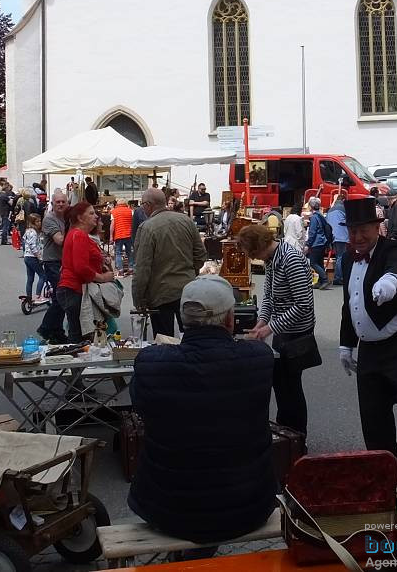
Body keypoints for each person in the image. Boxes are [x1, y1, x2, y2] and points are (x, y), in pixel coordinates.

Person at [127, 275, 275, 556]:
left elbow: (141, 406)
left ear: (183, 320)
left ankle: (186, 559)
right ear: (230, 319)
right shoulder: (258, 357)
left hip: (167, 506)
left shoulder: (152, 363)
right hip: (248, 504)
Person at [338, 197, 397, 492]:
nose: (357, 237)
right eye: (353, 231)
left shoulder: (390, 249)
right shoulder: (347, 258)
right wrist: (346, 344)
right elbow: (349, 304)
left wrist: (391, 280)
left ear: (376, 227)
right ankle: (389, 478)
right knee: (374, 422)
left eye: (363, 230)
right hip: (370, 353)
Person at [239, 223, 318, 436]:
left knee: (291, 389)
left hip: (297, 334)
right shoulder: (272, 259)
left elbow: (303, 304)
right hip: (283, 330)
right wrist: (261, 322)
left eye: (252, 253)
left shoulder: (289, 258)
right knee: (281, 386)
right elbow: (269, 298)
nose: (253, 258)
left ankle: (297, 437)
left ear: (259, 246)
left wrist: (268, 329)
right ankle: (286, 434)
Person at [134, 187, 208, 337]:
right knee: (192, 338)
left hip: (160, 293)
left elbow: (142, 268)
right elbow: (201, 255)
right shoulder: (186, 221)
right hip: (187, 290)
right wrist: (190, 273)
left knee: (164, 342)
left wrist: (139, 298)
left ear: (148, 205)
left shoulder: (147, 228)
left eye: (143, 205)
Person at [58, 202, 116, 343]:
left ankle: (79, 362)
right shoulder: (79, 235)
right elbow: (81, 267)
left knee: (79, 331)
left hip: (72, 288)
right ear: (80, 218)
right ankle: (78, 364)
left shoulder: (77, 234)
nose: (96, 216)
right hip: (74, 289)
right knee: (80, 333)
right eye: (91, 213)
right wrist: (102, 277)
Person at [37, 191, 69, 343]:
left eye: (63, 202)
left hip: (63, 262)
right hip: (52, 262)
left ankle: (57, 331)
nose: (61, 204)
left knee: (62, 298)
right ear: (53, 204)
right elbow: (60, 240)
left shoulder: (67, 217)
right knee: (60, 297)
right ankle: (47, 328)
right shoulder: (49, 219)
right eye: (58, 202)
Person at [305, 197, 331, 290]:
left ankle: (324, 279)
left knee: (313, 262)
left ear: (311, 206)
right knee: (319, 262)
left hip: (316, 242)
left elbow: (312, 232)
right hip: (322, 242)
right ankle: (320, 281)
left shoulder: (314, 217)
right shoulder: (320, 216)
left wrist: (308, 244)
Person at [22, 213, 46, 304]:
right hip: (33, 257)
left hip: (27, 256)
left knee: (30, 278)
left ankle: (29, 297)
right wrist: (39, 257)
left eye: (40, 221)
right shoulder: (33, 232)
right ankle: (38, 296)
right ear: (32, 222)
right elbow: (33, 246)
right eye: (37, 221)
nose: (39, 223)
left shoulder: (27, 231)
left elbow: (24, 242)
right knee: (43, 276)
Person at [326, 194, 349, 287]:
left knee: (338, 256)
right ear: (343, 200)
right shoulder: (343, 209)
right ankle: (338, 278)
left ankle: (337, 276)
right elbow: (349, 220)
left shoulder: (330, 210)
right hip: (342, 236)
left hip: (333, 236)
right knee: (341, 257)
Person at [112, 198, 135, 272]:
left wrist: (110, 236)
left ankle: (120, 270)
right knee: (129, 252)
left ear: (118, 204)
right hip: (128, 234)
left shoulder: (114, 212)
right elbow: (133, 224)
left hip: (118, 234)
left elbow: (112, 225)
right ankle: (131, 268)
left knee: (118, 252)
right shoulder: (130, 211)